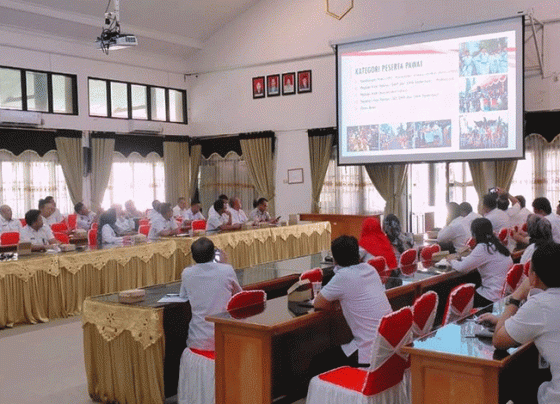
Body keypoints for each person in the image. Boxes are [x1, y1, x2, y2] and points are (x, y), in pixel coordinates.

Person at [478, 242, 560, 404]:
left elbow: (499, 341)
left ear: (534, 277)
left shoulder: (540, 304)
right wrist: (509, 321)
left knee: (510, 385)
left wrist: (517, 295)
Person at [311, 235, 392, 374]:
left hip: (369, 354)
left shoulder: (343, 276)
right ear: (357, 253)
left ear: (335, 259)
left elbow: (318, 303)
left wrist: (335, 304)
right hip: (389, 346)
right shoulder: (370, 269)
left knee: (317, 363)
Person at [179, 237, 242, 350]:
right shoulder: (226, 270)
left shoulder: (187, 273)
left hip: (198, 337)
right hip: (224, 332)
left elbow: (183, 296)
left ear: (193, 257)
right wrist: (223, 264)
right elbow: (238, 295)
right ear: (214, 254)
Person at [450, 217, 513, 307]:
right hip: (502, 295)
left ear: (475, 234)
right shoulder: (496, 244)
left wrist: (451, 261)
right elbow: (474, 259)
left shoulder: (483, 247)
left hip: (490, 297)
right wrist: (460, 259)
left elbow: (462, 268)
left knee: (459, 296)